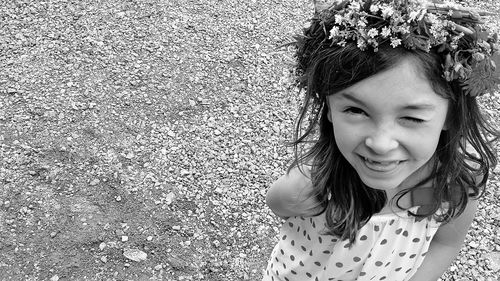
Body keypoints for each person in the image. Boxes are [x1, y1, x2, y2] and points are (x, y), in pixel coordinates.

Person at [263, 0, 499, 280]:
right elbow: (278, 204)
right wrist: (299, 191)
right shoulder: (320, 176)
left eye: (412, 118)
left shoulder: (454, 186)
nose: (381, 143)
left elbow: (446, 243)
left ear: (450, 116)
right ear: (328, 108)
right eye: (355, 110)